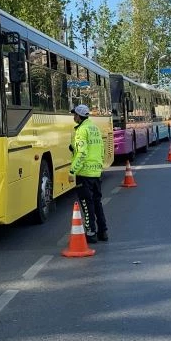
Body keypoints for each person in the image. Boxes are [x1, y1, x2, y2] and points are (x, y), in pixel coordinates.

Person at [68, 104, 107, 244]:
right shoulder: (94, 128)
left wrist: (73, 171)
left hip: (84, 173)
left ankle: (91, 233)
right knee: (97, 203)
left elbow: (82, 153)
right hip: (96, 172)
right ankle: (103, 231)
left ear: (79, 116)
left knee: (86, 204)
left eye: (75, 115)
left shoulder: (81, 130)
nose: (74, 117)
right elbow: (101, 149)